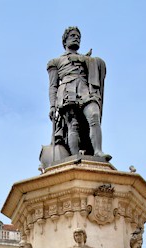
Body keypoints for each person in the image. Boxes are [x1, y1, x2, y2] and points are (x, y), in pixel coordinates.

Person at [47, 26, 111, 161]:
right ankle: (75, 156)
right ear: (65, 41)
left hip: (85, 90)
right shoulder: (55, 62)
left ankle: (98, 151)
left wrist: (90, 61)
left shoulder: (86, 59)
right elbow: (53, 86)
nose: (76, 38)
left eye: (78, 37)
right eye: (73, 36)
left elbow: (98, 68)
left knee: (94, 115)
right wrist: (52, 106)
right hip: (66, 91)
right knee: (73, 125)